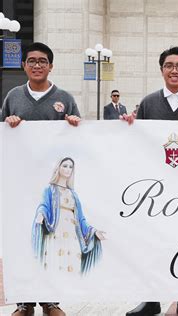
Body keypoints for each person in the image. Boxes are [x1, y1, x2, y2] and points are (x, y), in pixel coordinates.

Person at [124, 46, 178, 316]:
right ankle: (151, 299)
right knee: (153, 243)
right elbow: (136, 143)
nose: (175, 70)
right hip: (155, 189)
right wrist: (126, 127)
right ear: (161, 69)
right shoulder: (149, 103)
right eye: (169, 65)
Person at [1, 42, 81, 316]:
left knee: (51, 238)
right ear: (24, 65)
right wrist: (9, 125)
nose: (37, 65)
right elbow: (4, 139)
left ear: (51, 66)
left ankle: (50, 299)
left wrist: (73, 124)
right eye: (32, 60)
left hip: (53, 188)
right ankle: (24, 301)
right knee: (22, 238)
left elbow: (79, 141)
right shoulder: (13, 96)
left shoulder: (65, 98)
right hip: (21, 183)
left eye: (42, 61)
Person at [32, 157, 105, 275]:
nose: (68, 169)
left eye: (71, 167)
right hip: (55, 233)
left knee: (72, 266)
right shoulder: (50, 189)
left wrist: (94, 232)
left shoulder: (73, 194)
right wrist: (41, 214)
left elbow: (81, 219)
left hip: (73, 235)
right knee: (55, 264)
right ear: (58, 167)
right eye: (65, 166)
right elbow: (44, 205)